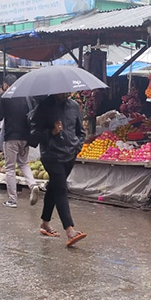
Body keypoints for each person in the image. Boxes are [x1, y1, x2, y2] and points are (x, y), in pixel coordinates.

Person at [30, 92, 87, 247]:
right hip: (51, 156)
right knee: (61, 188)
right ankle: (69, 229)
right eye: (63, 91)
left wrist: (77, 147)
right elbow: (33, 136)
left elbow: (80, 132)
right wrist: (51, 133)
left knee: (54, 188)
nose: (66, 93)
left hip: (70, 155)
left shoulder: (74, 106)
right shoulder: (43, 107)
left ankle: (44, 223)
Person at [0, 74, 40, 208]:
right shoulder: (27, 96)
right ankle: (33, 185)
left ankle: (12, 200)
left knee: (10, 168)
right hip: (26, 137)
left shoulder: (4, 97)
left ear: (6, 85)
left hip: (11, 137)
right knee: (24, 164)